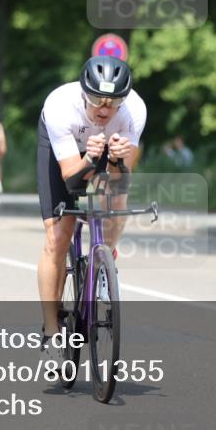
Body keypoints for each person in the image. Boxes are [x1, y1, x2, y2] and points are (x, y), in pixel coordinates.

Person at [36, 56, 146, 367]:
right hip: (66, 152)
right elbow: (71, 175)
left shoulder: (135, 112)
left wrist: (115, 161)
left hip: (103, 152)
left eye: (113, 102)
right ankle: (51, 330)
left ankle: (104, 264)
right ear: (85, 93)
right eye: (97, 99)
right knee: (58, 235)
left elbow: (121, 182)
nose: (104, 109)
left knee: (117, 200)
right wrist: (88, 161)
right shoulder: (60, 106)